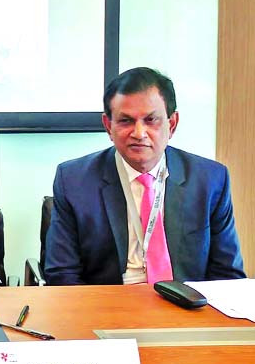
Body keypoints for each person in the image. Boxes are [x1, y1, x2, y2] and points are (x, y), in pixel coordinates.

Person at [45, 67, 246, 285]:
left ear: (172, 124)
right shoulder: (74, 181)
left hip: (186, 308)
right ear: (108, 126)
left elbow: (228, 276)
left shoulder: (210, 180)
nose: (139, 133)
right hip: (108, 307)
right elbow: (62, 275)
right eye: (126, 121)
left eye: (151, 120)